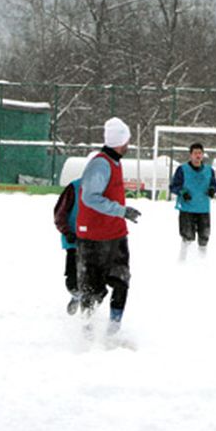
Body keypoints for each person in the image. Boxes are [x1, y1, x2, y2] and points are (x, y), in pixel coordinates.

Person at [67, 117, 141, 333]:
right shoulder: (100, 164)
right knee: (93, 289)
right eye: (127, 140)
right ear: (120, 141)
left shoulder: (115, 162)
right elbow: (89, 197)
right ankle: (86, 331)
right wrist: (121, 210)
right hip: (93, 237)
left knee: (121, 280)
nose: (128, 144)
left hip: (115, 234)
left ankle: (113, 328)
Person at [170, 142, 216, 257]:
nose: (198, 156)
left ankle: (202, 261)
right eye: (195, 153)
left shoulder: (209, 170)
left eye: (200, 153)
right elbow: (173, 186)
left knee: (204, 237)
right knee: (187, 237)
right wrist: (182, 192)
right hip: (187, 208)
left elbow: (214, 184)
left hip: (203, 209)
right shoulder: (182, 169)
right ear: (190, 155)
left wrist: (212, 189)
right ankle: (183, 260)